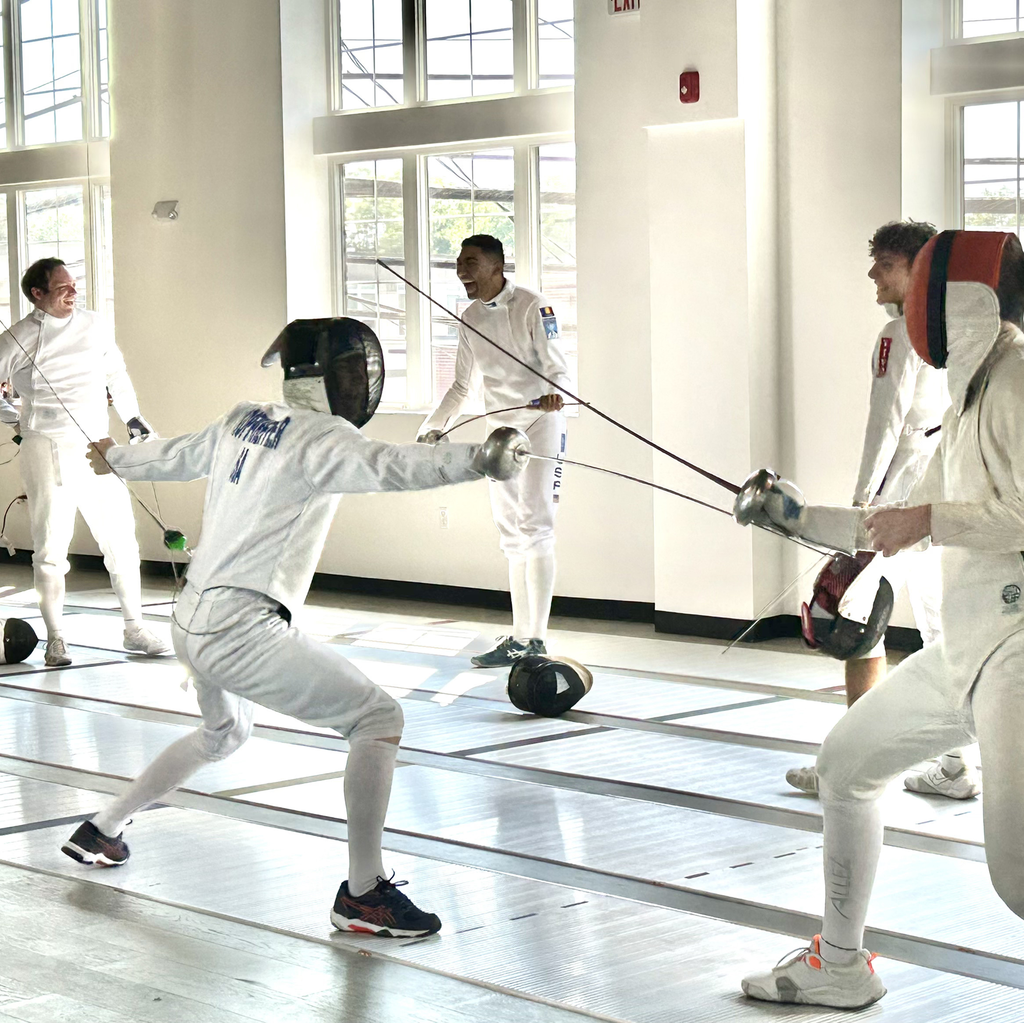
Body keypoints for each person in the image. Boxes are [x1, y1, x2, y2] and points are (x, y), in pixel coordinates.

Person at [60, 318, 530, 938]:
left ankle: (104, 827)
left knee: (223, 733)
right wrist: (481, 459)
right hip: (239, 629)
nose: (362, 381)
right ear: (326, 376)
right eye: (353, 370)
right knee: (378, 719)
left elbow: (173, 455)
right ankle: (363, 892)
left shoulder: (244, 418)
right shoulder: (324, 438)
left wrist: (115, 456)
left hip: (189, 617)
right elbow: (396, 465)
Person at [738, 230, 1024, 1008]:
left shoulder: (1018, 379)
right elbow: (895, 518)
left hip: (1015, 648)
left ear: (960, 301)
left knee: (1018, 876)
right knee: (847, 763)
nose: (910, 304)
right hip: (964, 647)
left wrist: (932, 516)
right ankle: (839, 963)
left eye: (925, 288)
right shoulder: (968, 390)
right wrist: (790, 514)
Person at [786, 221, 980, 800]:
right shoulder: (961, 332)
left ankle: (843, 768)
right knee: (942, 630)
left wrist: (863, 498)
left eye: (886, 264)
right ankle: (954, 765)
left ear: (916, 270)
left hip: (899, 501)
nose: (873, 274)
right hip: (945, 499)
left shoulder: (900, 332)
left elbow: (886, 421)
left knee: (855, 628)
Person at [0, 258, 168, 666]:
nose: (72, 293)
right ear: (37, 295)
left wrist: (132, 416)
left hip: (98, 444)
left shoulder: (93, 324)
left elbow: (117, 373)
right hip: (46, 448)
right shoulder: (18, 338)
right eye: (62, 288)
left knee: (120, 539)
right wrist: (14, 416)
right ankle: (57, 639)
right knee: (51, 547)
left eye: (73, 285)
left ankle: (135, 627)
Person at [418, 234, 570, 667]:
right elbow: (461, 386)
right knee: (510, 534)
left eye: (471, 262)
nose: (461, 270)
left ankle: (536, 640)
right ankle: (520, 637)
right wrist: (432, 427)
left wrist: (555, 394)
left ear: (496, 266)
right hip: (499, 431)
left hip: (540, 424)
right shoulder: (468, 317)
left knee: (535, 527)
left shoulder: (533, 305)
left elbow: (558, 366)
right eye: (458, 263)